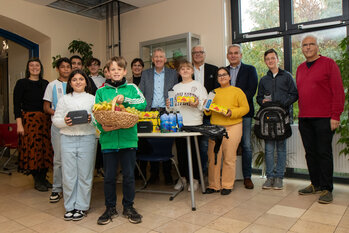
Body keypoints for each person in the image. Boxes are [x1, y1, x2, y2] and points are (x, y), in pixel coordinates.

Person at [95, 56, 146, 225]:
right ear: (107, 72)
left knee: (129, 176)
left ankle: (129, 207)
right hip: (108, 140)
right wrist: (104, 128)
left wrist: (126, 99)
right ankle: (110, 208)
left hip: (128, 139)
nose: (116, 72)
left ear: (125, 71)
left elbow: (142, 103)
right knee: (109, 177)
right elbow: (96, 115)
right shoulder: (101, 91)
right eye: (112, 69)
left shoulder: (131, 88)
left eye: (119, 69)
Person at [296, 35, 345, 204]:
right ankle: (315, 184)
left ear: (317, 46)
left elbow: (338, 91)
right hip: (304, 118)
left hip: (324, 118)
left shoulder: (329, 64)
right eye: (305, 45)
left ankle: (326, 188)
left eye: (311, 44)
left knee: (324, 153)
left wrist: (335, 116)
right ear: (301, 48)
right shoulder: (300, 68)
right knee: (310, 153)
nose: (308, 47)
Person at [52, 69, 96, 221]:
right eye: (74, 79)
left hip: (87, 139)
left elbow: (98, 119)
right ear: (70, 83)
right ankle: (69, 206)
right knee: (69, 175)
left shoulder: (92, 98)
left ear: (86, 82)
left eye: (81, 79)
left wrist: (92, 119)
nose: (78, 82)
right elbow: (56, 120)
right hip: (67, 139)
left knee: (85, 174)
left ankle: (82, 206)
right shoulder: (64, 99)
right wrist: (65, 121)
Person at [256, 49, 298, 190]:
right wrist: (264, 102)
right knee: (268, 149)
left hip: (282, 118)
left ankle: (279, 177)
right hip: (267, 120)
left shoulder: (287, 76)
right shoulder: (263, 80)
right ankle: (269, 178)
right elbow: (258, 98)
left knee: (281, 148)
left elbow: (294, 95)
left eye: (272, 58)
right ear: (265, 61)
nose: (270, 61)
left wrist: (282, 104)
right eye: (267, 59)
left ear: (278, 59)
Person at [204, 67, 249, 195]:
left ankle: (227, 185)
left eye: (224, 74)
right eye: (219, 75)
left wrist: (232, 112)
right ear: (217, 79)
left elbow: (245, 108)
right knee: (213, 157)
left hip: (233, 126)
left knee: (229, 157)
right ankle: (213, 185)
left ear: (229, 77)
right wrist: (206, 106)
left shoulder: (237, 91)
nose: (222, 77)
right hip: (215, 128)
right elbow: (207, 111)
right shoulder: (213, 93)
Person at [166, 60, 208, 191]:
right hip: (180, 124)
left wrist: (197, 104)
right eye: (182, 69)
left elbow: (206, 106)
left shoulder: (199, 86)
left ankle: (194, 180)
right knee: (181, 153)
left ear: (192, 71)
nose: (185, 70)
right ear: (179, 72)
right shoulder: (176, 88)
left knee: (195, 153)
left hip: (195, 123)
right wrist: (168, 105)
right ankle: (183, 178)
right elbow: (171, 109)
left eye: (188, 68)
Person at [13, 57, 53, 192]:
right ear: (28, 68)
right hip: (29, 121)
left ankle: (44, 177)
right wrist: (19, 124)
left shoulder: (46, 83)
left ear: (41, 68)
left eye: (37, 65)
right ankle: (37, 179)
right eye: (32, 65)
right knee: (34, 150)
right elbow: (16, 105)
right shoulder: (21, 83)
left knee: (45, 150)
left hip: (45, 120)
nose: (35, 67)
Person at [139, 48, 178, 185]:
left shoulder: (173, 74)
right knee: (151, 142)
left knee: (167, 142)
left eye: (161, 56)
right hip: (150, 112)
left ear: (165, 59)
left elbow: (176, 92)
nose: (159, 59)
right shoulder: (146, 74)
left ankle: (167, 174)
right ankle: (154, 174)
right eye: (156, 57)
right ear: (153, 59)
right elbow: (140, 93)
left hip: (166, 112)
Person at [226, 44, 258, 189]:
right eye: (230, 53)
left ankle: (247, 177)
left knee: (245, 145)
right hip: (226, 115)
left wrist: (235, 106)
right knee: (227, 145)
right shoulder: (223, 71)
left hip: (244, 114)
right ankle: (227, 177)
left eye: (236, 53)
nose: (233, 55)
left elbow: (251, 91)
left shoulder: (250, 70)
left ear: (241, 55)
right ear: (227, 56)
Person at [43, 57, 72, 203]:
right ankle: (56, 188)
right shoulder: (52, 85)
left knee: (72, 159)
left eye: (68, 66)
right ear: (58, 69)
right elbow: (46, 107)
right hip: (58, 126)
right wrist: (60, 115)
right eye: (63, 67)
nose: (66, 69)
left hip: (74, 126)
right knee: (59, 159)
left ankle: (70, 189)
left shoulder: (75, 83)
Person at [192, 45, 218, 175]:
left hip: (208, 114)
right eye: (195, 52)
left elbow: (215, 91)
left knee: (205, 146)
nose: (198, 54)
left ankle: (206, 173)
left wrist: (206, 105)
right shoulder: (187, 70)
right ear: (192, 55)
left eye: (200, 52)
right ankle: (197, 174)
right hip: (191, 114)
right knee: (193, 146)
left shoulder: (214, 70)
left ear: (204, 54)